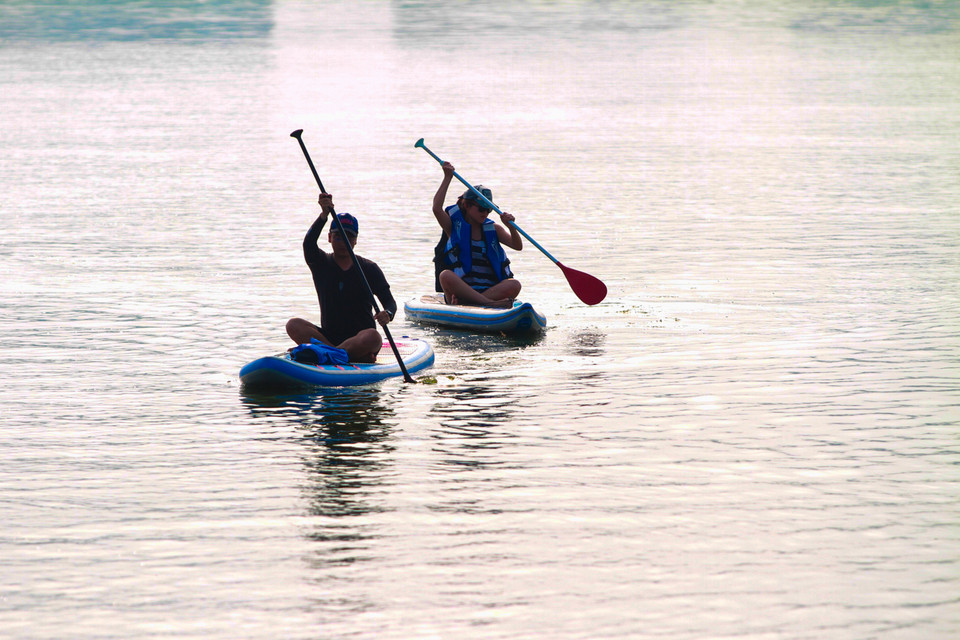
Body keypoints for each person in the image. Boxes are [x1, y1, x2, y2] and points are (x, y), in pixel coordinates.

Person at [286, 193, 396, 363]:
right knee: (293, 324)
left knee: (374, 337)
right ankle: (337, 354)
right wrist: (323, 215)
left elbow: (390, 303)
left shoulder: (369, 268)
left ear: (356, 240)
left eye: (349, 237)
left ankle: (325, 353)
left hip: (360, 339)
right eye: (338, 236)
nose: (343, 241)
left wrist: (387, 314)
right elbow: (308, 243)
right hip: (328, 337)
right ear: (329, 238)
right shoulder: (320, 262)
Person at [431, 161, 522, 308]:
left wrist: (511, 227)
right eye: (481, 209)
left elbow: (517, 246)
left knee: (515, 284)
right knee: (445, 275)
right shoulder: (453, 227)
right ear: (467, 205)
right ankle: (487, 304)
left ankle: (473, 303)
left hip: (489, 290)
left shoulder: (494, 229)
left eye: (489, 210)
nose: (485, 213)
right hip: (460, 292)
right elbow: (436, 208)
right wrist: (447, 177)